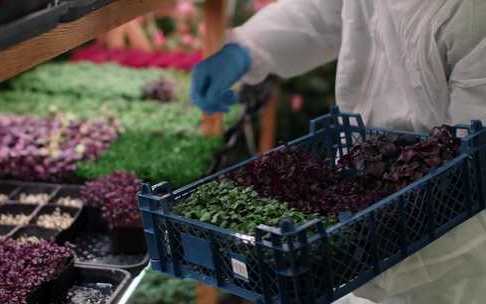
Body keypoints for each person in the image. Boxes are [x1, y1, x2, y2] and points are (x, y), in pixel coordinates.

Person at [190, 1, 486, 304]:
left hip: (446, 251)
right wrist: (248, 48)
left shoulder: (473, 14)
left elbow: (469, 155)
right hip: (359, 199)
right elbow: (325, 10)